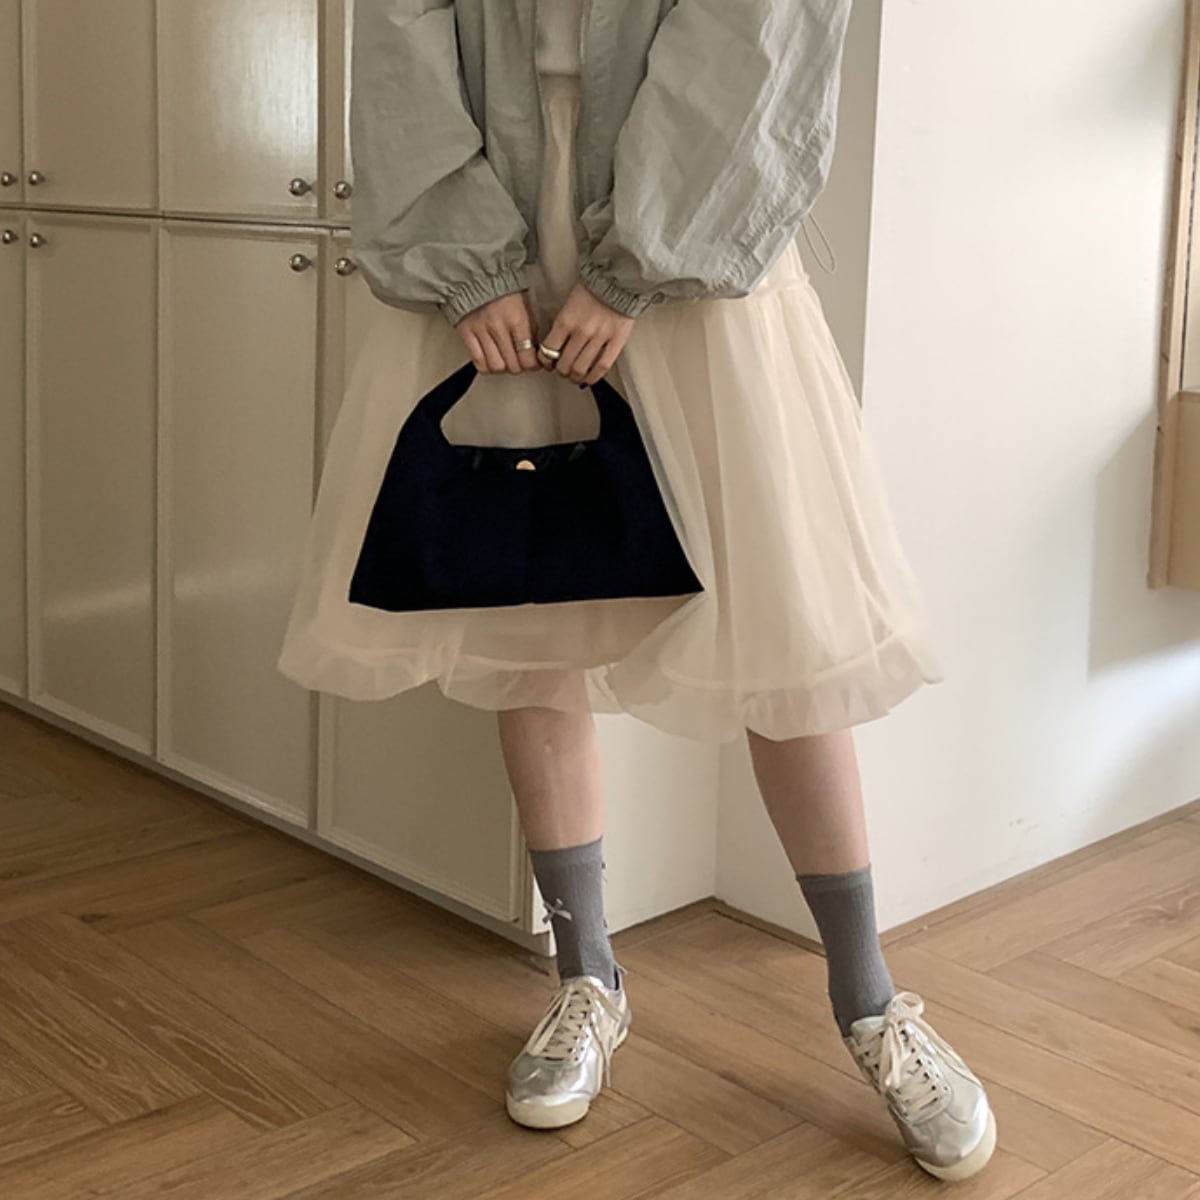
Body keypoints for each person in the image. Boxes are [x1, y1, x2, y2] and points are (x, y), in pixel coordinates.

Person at [276, 0, 996, 1181]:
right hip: (497, 234)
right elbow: (399, 33)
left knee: (782, 637)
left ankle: (870, 1003)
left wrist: (639, 264)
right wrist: (470, 263)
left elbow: (758, 29)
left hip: (695, 240)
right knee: (531, 624)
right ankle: (587, 980)